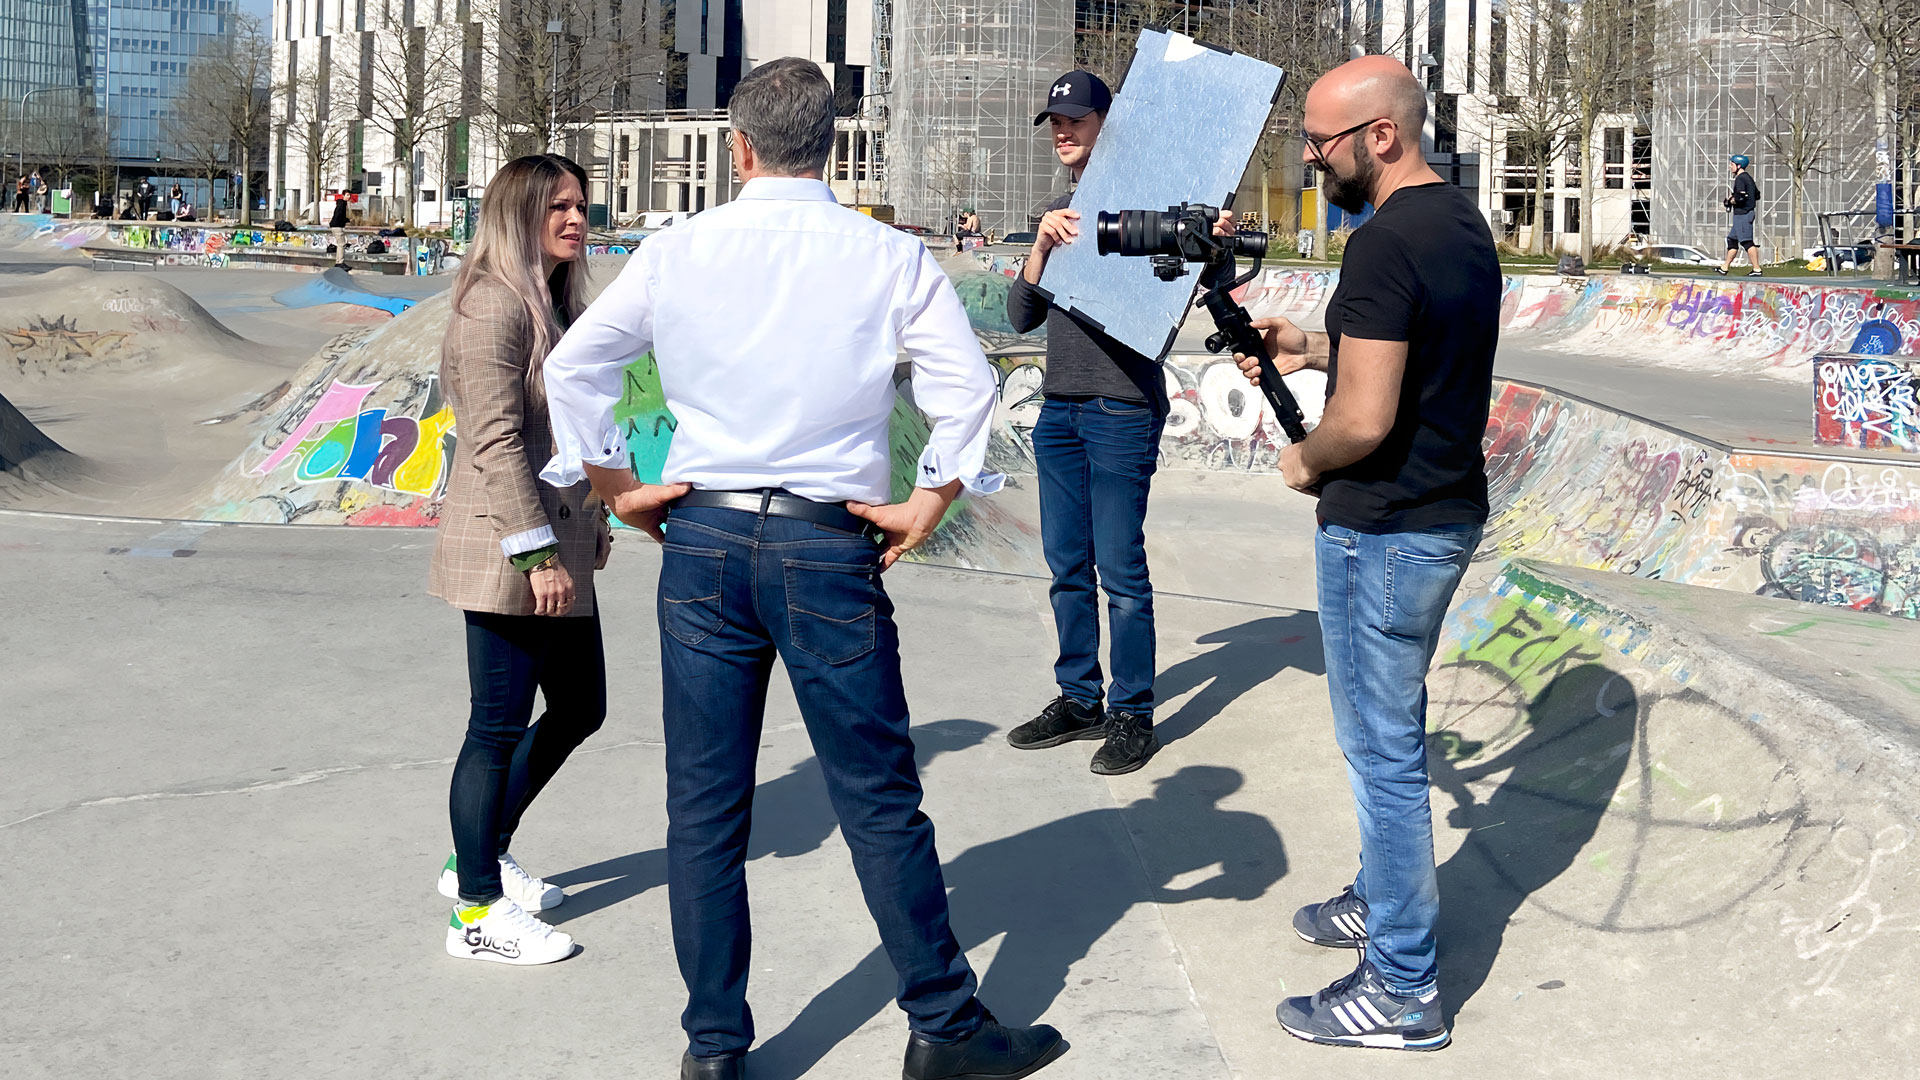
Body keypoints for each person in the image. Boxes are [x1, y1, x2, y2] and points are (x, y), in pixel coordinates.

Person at [540, 57, 1064, 1080]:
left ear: (737, 147)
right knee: (877, 796)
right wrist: (931, 498)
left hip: (704, 538)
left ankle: (714, 1050)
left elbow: (575, 363)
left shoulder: (679, 249)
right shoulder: (888, 256)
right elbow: (966, 388)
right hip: (826, 544)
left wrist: (613, 483)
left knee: (704, 807)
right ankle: (944, 1026)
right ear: (830, 142)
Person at [1232, 55, 1500, 1052]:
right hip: (1442, 515)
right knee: (1394, 735)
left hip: (1382, 532)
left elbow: (1365, 419)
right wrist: (1307, 345)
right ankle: (1384, 896)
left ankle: (1401, 989)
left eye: (1321, 141)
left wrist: (1303, 459)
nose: (1311, 158)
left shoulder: (1383, 243)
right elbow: (1411, 351)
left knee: (1381, 756)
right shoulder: (1457, 220)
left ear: (1380, 135)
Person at [1003, 70, 1225, 776]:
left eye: (1076, 119)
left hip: (1121, 409)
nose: (1063, 131)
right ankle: (1079, 699)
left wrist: (1206, 239)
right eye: (1056, 122)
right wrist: (1041, 247)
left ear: (1109, 125)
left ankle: (1133, 713)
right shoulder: (1057, 212)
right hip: (1060, 409)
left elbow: (1195, 286)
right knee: (1066, 566)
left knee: (1121, 571)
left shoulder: (1153, 213)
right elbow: (1020, 317)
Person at [426, 153, 613, 968]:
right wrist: (538, 554)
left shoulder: (559, 304)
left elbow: (571, 431)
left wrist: (595, 516)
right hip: (510, 546)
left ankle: (480, 853)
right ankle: (475, 912)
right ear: (517, 215)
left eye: (580, 204)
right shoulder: (492, 306)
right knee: (495, 726)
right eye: (557, 206)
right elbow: (496, 440)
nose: (576, 218)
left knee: (580, 707)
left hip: (559, 537)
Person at [1717, 154, 1762, 277]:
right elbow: (1757, 195)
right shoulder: (1748, 178)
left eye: (1732, 165)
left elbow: (1740, 198)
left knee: (1747, 241)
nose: (1730, 167)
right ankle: (1724, 267)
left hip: (1743, 214)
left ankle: (1757, 269)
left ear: (1739, 166)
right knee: (1732, 240)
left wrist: (1730, 201)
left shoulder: (1741, 179)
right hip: (1743, 214)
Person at [329, 194, 351, 266]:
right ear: (343, 196)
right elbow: (339, 216)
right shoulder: (342, 205)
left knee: (339, 244)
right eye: (347, 195)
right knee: (342, 244)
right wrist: (346, 220)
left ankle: (338, 262)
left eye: (350, 195)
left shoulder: (340, 204)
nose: (349, 197)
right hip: (338, 226)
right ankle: (340, 262)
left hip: (334, 226)